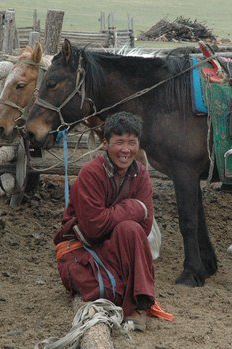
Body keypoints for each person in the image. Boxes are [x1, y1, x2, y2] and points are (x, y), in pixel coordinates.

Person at [53, 111, 156, 331]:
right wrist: (134, 207)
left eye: (132, 142)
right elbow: (93, 227)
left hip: (116, 246)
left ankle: (139, 306)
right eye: (119, 142)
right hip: (85, 248)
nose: (126, 150)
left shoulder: (141, 175)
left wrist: (115, 219)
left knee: (131, 230)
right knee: (105, 289)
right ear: (105, 143)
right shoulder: (91, 173)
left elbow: (145, 227)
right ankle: (128, 298)